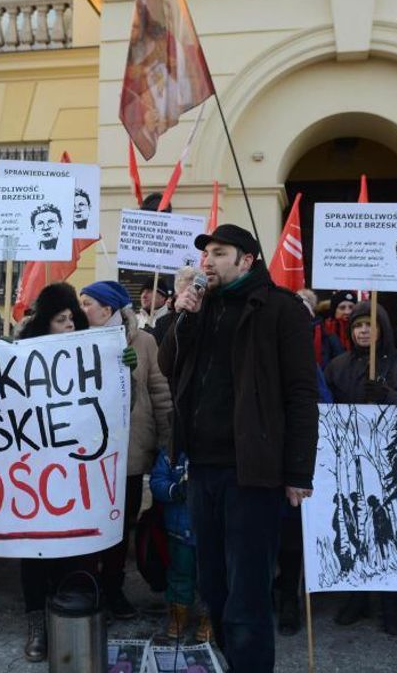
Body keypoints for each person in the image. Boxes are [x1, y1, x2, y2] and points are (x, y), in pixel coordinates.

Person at [158, 224, 318, 672]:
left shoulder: (280, 310)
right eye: (205, 253)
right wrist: (180, 315)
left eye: (219, 253)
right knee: (214, 587)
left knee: (247, 592)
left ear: (247, 259)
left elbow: (302, 394)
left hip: (253, 471)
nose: (207, 261)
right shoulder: (200, 306)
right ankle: (233, 662)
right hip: (201, 468)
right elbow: (168, 364)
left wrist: (298, 472)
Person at [323, 300, 397, 635]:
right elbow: (326, 408)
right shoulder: (338, 365)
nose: (363, 331)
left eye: (370, 325)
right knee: (356, 525)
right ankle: (357, 595)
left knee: (389, 530)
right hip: (351, 457)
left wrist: (388, 395)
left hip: (392, 461)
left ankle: (391, 602)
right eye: (357, 326)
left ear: (383, 328)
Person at [80, 280, 168, 619]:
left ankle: (113, 589)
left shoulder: (144, 342)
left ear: (108, 309)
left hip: (127, 456)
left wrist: (165, 442)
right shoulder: (74, 339)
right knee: (89, 527)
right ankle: (87, 586)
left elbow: (159, 392)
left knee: (120, 527)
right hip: (85, 456)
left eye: (88, 302)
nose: (82, 308)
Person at [17, 282, 92, 662]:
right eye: (60, 320)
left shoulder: (88, 354)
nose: (68, 326)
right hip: (32, 472)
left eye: (72, 319)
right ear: (45, 323)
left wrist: (120, 368)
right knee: (35, 548)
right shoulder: (19, 356)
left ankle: (68, 617)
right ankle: (36, 622)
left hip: (73, 470)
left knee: (70, 545)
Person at [150, 447, 212, 643]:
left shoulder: (219, 451)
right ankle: (178, 613)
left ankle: (210, 616)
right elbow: (157, 481)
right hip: (179, 531)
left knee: (212, 576)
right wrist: (175, 490)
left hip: (211, 532)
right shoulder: (170, 455)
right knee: (179, 574)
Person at [149, 267, 195, 346]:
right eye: (186, 293)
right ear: (177, 296)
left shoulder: (211, 318)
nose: (193, 297)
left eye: (196, 292)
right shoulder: (163, 323)